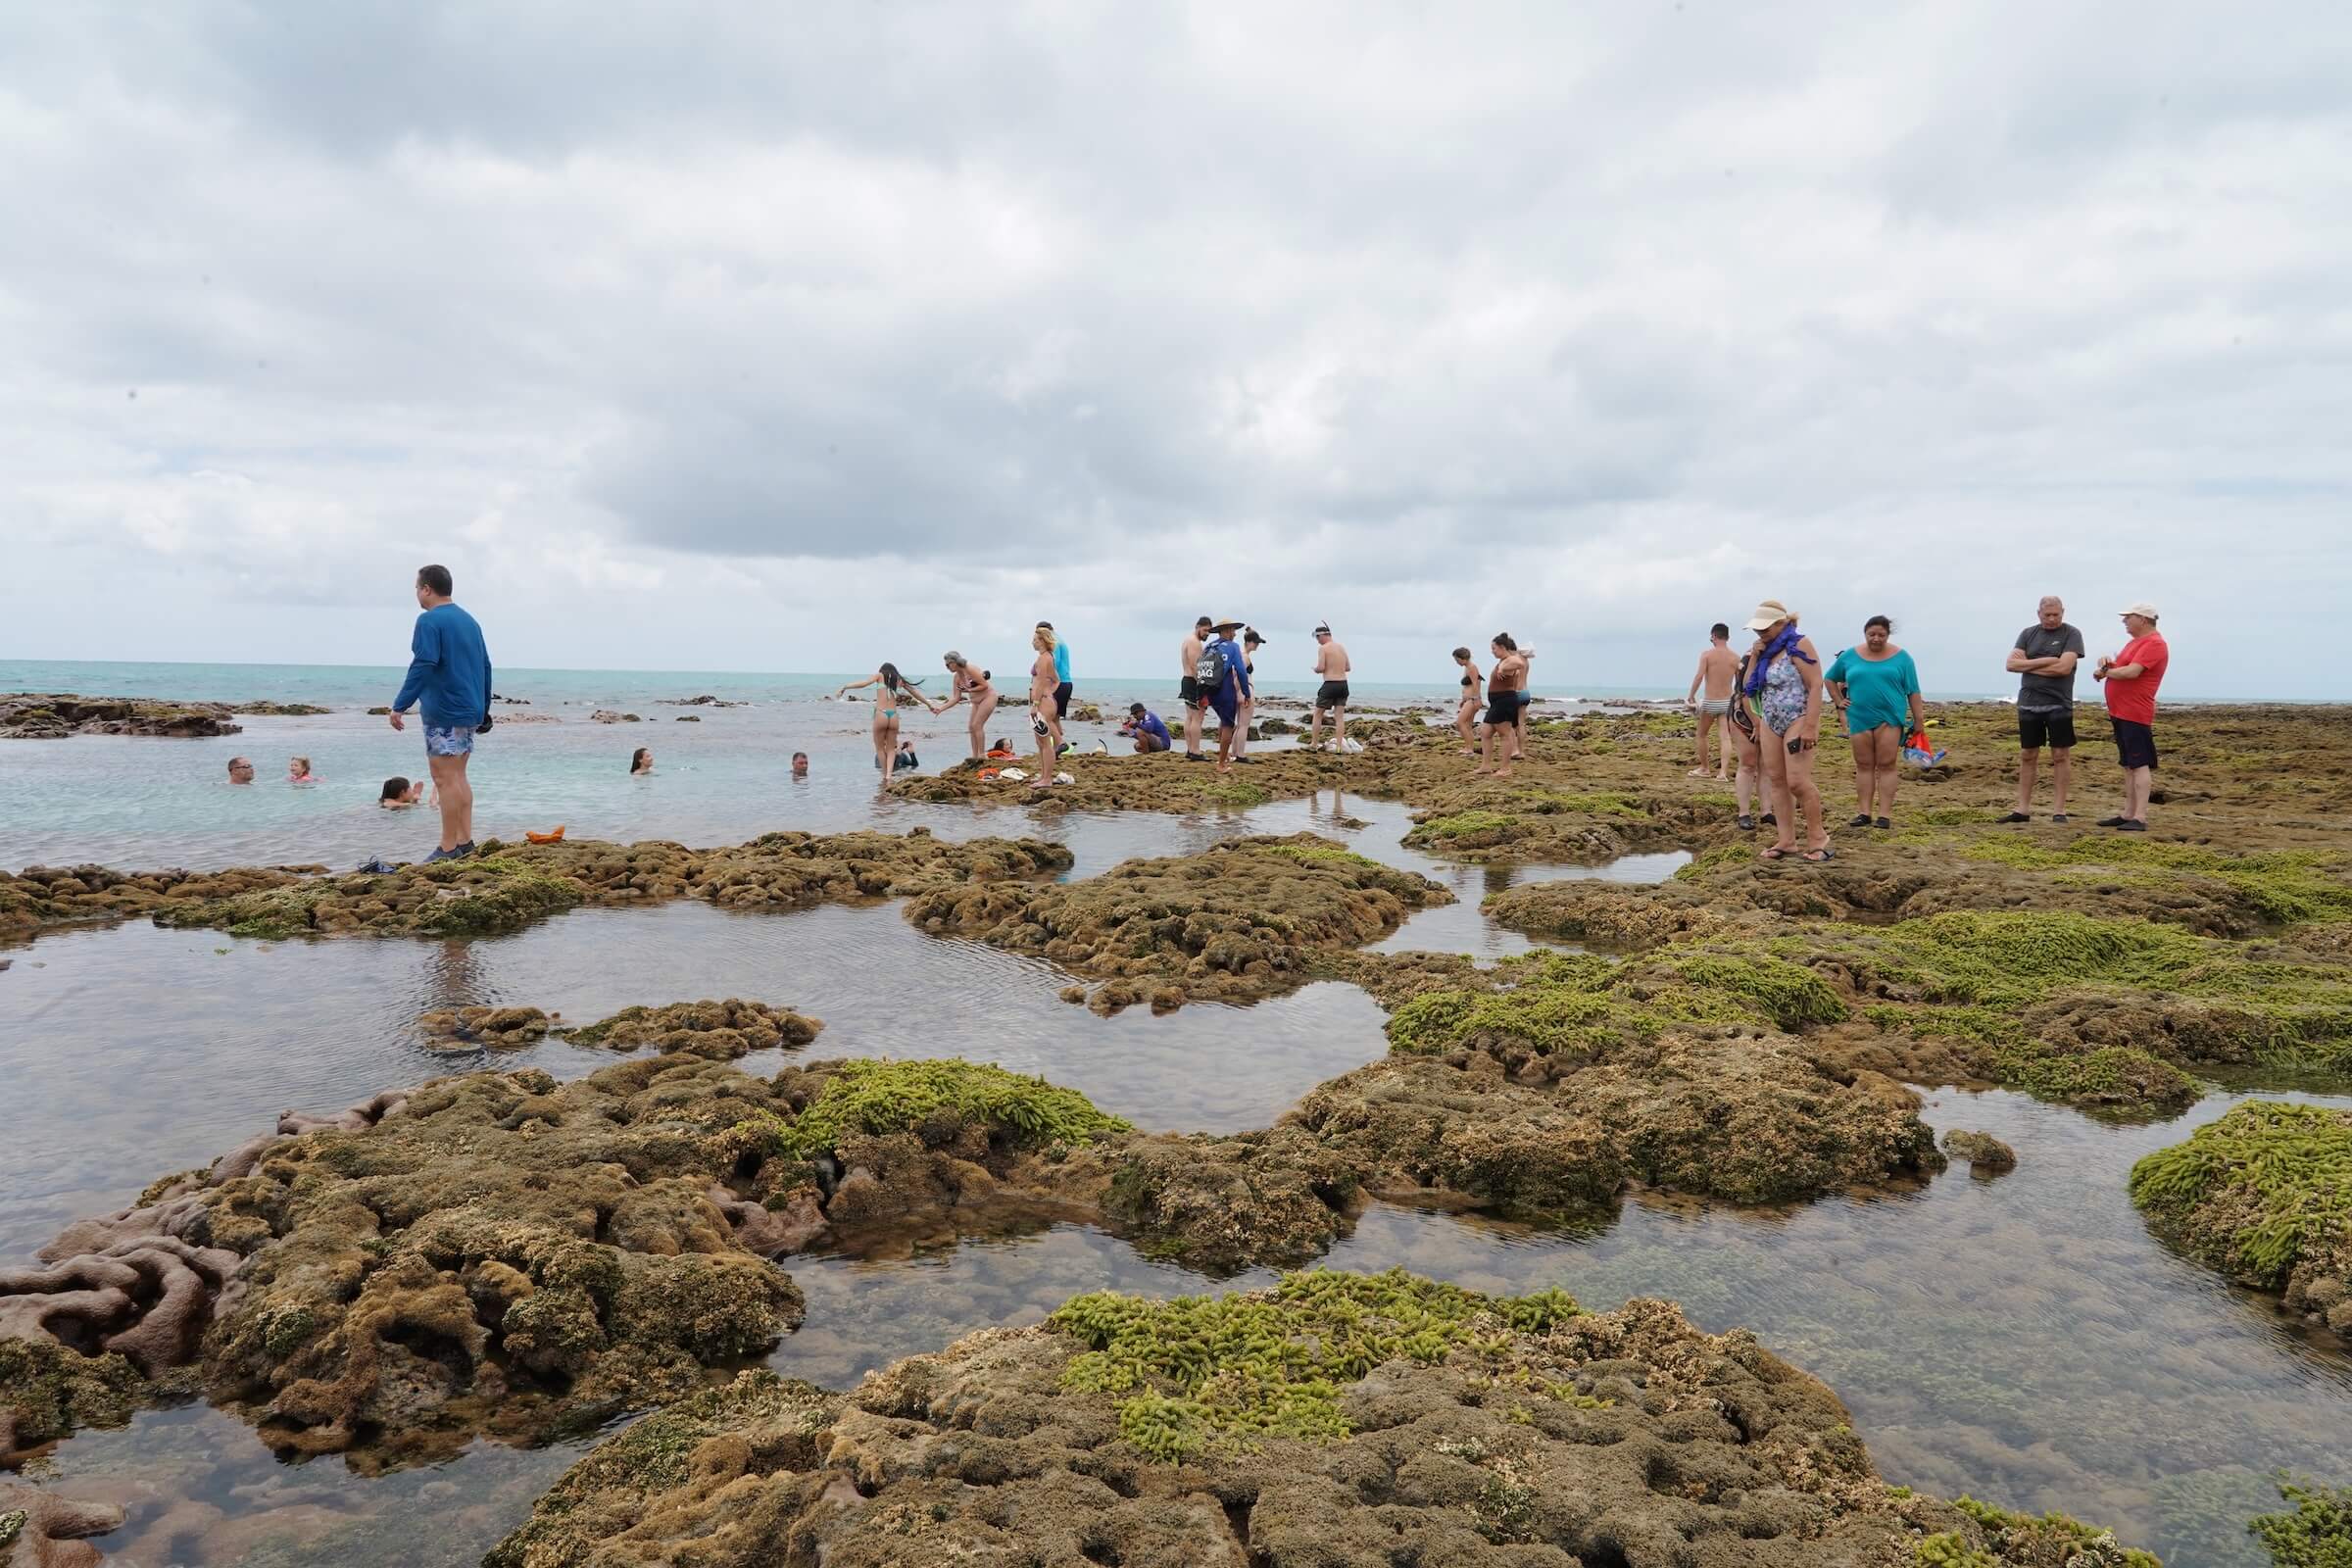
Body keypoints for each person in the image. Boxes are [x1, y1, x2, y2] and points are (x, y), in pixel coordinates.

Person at [388, 564, 492, 862]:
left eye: (417, 588)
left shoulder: (429, 621)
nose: (416, 594)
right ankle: (465, 842)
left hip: (444, 709)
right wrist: (483, 707)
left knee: (444, 779)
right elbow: (485, 666)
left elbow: (424, 663)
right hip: (469, 708)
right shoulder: (470, 621)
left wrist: (400, 705)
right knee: (458, 776)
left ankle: (447, 848)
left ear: (426, 589)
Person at [1740, 600, 1831, 860]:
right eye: (1757, 629)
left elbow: (1816, 685)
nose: (1760, 633)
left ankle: (1818, 839)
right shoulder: (1764, 652)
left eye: (1765, 628)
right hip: (1770, 720)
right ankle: (1786, 840)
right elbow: (1748, 687)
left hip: (1798, 718)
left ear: (1781, 624)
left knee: (1797, 781)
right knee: (1777, 781)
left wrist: (1811, 726)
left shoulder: (1799, 644)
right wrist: (1755, 656)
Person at [1825, 616, 1925, 830]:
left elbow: (1913, 691)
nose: (1876, 639)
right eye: (1872, 634)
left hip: (1890, 718)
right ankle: (1864, 813)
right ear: (1865, 634)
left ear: (1888, 635)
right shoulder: (1850, 656)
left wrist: (1919, 721)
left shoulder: (1902, 658)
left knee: (1887, 764)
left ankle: (1884, 815)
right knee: (1864, 765)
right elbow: (1829, 678)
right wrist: (1839, 700)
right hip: (1859, 717)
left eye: (1881, 635)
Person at [2001, 596, 2086, 824]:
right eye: (2047, 615)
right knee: (2028, 755)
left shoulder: (2072, 634)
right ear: (2038, 613)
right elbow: (2010, 665)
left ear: (2063, 612)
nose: (2051, 619)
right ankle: (2022, 809)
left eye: (2056, 614)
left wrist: (2027, 665)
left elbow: (2064, 668)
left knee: (2060, 756)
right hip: (2028, 704)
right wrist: (2048, 660)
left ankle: (2059, 810)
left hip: (2059, 704)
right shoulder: (2028, 634)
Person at [2095, 603, 2169, 832]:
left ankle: (2140, 817)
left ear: (2143, 620)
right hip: (2120, 712)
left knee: (2139, 764)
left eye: (2129, 617)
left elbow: (2132, 672)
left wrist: (2106, 672)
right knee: (2128, 765)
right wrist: (2106, 665)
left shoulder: (2155, 643)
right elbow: (2120, 667)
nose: (2124, 621)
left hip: (2135, 713)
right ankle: (2128, 813)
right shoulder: (2134, 643)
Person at [835, 662, 933, 787]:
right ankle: (889, 776)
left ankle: (885, 776)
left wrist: (845, 687)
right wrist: (929, 704)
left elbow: (864, 684)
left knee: (880, 748)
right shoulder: (898, 679)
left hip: (881, 714)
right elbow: (914, 692)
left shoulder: (879, 675)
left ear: (882, 670)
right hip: (894, 716)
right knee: (891, 749)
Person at [1685, 625, 1738, 779]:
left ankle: (1705, 769)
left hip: (1710, 702)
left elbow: (1699, 676)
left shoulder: (1707, 655)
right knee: (1725, 737)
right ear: (1727, 637)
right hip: (1727, 702)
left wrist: (1691, 695)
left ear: (1713, 636)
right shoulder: (1735, 657)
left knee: (1701, 734)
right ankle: (1722, 774)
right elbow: (1739, 682)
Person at [1203, 617, 1253, 773]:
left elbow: (1202, 670)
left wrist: (1201, 694)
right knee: (1228, 726)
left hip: (1209, 690)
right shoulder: (1233, 647)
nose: (1235, 634)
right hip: (1224, 690)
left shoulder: (1209, 646)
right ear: (1226, 631)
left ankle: (1223, 757)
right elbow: (1241, 671)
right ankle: (1221, 764)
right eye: (1233, 631)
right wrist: (1246, 693)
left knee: (1223, 721)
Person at [1475, 634, 1528, 778]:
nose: (1492, 651)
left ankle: (1506, 768)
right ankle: (1486, 766)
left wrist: (1502, 668)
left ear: (1503, 647)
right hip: (1497, 702)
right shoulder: (1503, 660)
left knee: (1505, 734)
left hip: (1505, 701)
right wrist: (1501, 666)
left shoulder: (1509, 659)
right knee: (1485, 732)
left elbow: (1520, 663)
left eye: (1494, 648)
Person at [933, 652, 999, 761]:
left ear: (954, 662)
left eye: (947, 665)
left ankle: (982, 755)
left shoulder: (970, 669)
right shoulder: (956, 677)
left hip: (988, 697)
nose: (947, 667)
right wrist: (940, 708)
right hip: (976, 702)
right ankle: (975, 755)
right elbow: (956, 698)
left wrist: (969, 690)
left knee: (977, 725)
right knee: (971, 727)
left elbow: (984, 685)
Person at [1027, 625, 1062, 788]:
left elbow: (1041, 682)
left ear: (1042, 641)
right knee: (1040, 742)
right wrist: (1049, 694)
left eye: (1035, 639)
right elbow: (1056, 680)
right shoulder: (1048, 657)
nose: (1032, 642)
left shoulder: (1044, 658)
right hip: (1045, 701)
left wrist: (1037, 702)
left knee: (1045, 743)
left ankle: (1047, 779)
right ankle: (1043, 776)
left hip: (1042, 704)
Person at [1309, 621, 1351, 752]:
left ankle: (1314, 744)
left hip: (1330, 684)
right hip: (1343, 684)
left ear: (1322, 635)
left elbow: (1321, 667)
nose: (1317, 641)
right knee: (1339, 717)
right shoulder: (1341, 647)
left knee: (1318, 714)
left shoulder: (1323, 648)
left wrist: (1316, 669)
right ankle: (1339, 747)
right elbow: (1348, 667)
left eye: (1317, 637)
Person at [1178, 614, 1212, 760]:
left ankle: (1190, 749)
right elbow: (1195, 666)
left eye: (1209, 631)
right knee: (1197, 718)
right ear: (1197, 627)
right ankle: (1195, 751)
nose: (1207, 634)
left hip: (1187, 680)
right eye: (1205, 630)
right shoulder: (1194, 642)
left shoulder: (1188, 640)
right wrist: (1203, 686)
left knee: (1191, 717)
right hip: (1193, 681)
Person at [1037, 620, 1074, 747]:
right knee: (1055, 718)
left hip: (1060, 683)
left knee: (1048, 717)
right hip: (1066, 682)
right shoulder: (1059, 639)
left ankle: (1060, 744)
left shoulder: (1054, 642)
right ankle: (1059, 746)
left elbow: (1054, 663)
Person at [1233, 628, 1264, 761]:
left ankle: (1235, 753)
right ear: (1249, 642)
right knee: (1244, 725)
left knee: (1239, 725)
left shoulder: (1239, 654)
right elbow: (1237, 676)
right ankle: (1240, 754)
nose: (1257, 645)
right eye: (1256, 642)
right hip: (1245, 691)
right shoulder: (1244, 656)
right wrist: (1240, 692)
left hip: (1240, 691)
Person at [1451, 647, 1484, 756]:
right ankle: (1469, 748)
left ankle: (1469, 748)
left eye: (1457, 660)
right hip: (1469, 700)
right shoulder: (1467, 668)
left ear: (1463, 658)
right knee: (1467, 725)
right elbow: (1468, 686)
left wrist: (1476, 699)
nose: (1456, 662)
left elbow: (1476, 684)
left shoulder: (1472, 668)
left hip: (1473, 700)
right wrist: (1463, 700)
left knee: (1460, 723)